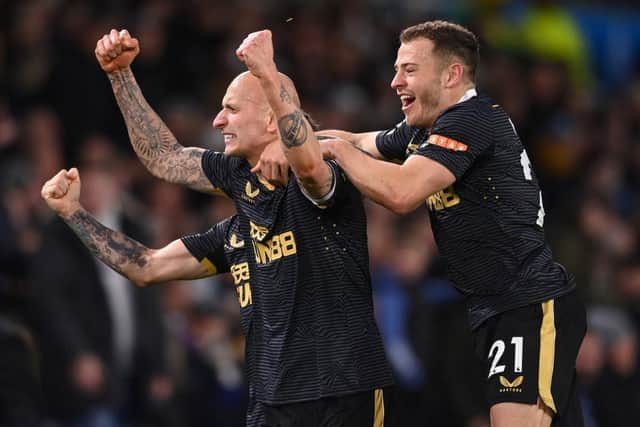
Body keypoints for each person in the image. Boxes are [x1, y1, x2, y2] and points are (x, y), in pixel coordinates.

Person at [247, 20, 589, 427]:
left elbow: (401, 193)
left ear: (451, 74)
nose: (395, 82)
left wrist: (333, 148)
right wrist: (289, 143)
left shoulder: (472, 118)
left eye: (409, 69)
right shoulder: (426, 132)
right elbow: (357, 140)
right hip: (497, 310)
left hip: (529, 305)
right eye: (395, 69)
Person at [94, 29, 393, 426]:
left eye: (231, 109)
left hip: (343, 387)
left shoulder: (330, 169)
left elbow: (309, 168)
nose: (218, 120)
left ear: (271, 119)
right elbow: (165, 157)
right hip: (271, 398)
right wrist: (120, 76)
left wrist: (267, 72)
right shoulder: (238, 179)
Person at [31, 138, 175, 427]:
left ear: (118, 177)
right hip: (87, 375)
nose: (94, 180)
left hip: (136, 378)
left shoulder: (135, 229)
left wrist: (160, 367)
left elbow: (150, 306)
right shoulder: (58, 234)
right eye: (86, 170)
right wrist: (78, 354)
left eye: (102, 170)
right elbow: (50, 301)